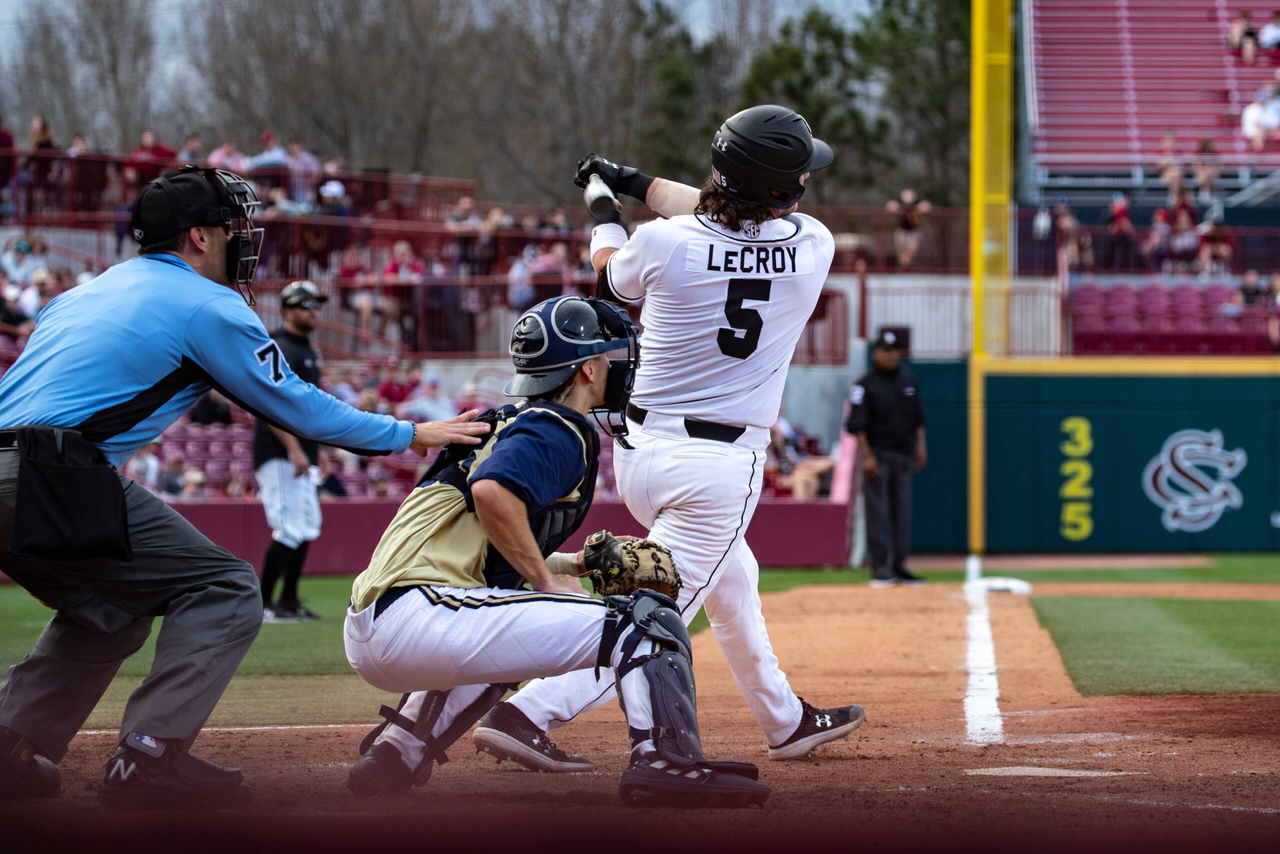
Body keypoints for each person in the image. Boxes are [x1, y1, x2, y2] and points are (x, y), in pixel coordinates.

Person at [0, 164, 487, 810]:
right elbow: (301, 408)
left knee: (111, 609)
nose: (243, 239)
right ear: (198, 238)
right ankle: (149, 756)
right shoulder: (208, 304)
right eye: (232, 227)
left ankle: (10, 748)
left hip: (24, 468)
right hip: (50, 473)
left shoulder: (90, 290)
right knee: (226, 588)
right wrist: (411, 433)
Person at [467, 106, 864, 776]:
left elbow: (610, 270)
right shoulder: (812, 245)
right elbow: (734, 214)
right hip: (717, 468)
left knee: (735, 578)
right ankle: (527, 712)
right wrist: (631, 180)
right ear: (782, 189)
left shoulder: (665, 241)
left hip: (641, 453)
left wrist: (605, 199)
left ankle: (785, 720)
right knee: (651, 619)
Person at [343, 295, 769, 808]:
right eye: (609, 359)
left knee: (505, 634)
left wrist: (571, 566)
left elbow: (482, 539)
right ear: (588, 368)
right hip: (420, 616)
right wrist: (547, 585)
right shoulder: (559, 423)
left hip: (380, 622)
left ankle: (397, 752)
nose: (617, 368)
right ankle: (666, 761)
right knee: (647, 620)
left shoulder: (503, 420)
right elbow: (492, 494)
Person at [253, 281, 331, 623]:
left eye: (316, 305)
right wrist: (294, 448)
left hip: (302, 450)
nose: (313, 311)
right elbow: (269, 404)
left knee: (307, 524)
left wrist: (318, 450)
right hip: (280, 452)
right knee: (288, 527)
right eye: (305, 305)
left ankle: (288, 601)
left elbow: (309, 408)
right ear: (286, 310)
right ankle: (261, 604)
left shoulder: (307, 350)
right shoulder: (279, 346)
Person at [846, 331, 927, 587]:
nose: (892, 355)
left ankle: (899, 565)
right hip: (878, 455)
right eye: (886, 350)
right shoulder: (865, 384)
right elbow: (857, 425)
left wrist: (921, 447)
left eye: (895, 350)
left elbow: (918, 420)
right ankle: (879, 567)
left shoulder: (908, 380)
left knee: (902, 511)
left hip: (902, 453)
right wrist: (867, 456)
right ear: (876, 353)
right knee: (877, 511)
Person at [886, 188, 931, 269]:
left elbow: (927, 206)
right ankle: (903, 266)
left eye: (910, 195)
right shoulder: (900, 203)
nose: (908, 197)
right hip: (902, 231)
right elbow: (889, 205)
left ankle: (906, 266)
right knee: (901, 252)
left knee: (911, 250)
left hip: (913, 231)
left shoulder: (916, 203)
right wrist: (898, 208)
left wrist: (917, 209)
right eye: (906, 195)